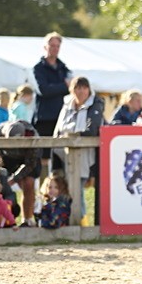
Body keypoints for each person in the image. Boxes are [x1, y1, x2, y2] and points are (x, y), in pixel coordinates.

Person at [55, 76, 104, 224]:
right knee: (64, 188)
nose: (81, 91)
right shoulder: (67, 105)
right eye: (77, 88)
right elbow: (58, 129)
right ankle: (65, 220)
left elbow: (92, 129)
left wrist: (74, 134)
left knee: (77, 190)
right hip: (63, 152)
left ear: (89, 90)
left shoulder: (95, 105)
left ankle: (81, 222)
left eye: (84, 88)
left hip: (84, 154)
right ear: (72, 90)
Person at [0, 119, 41, 226]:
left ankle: (27, 220)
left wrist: (14, 179)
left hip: (27, 157)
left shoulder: (33, 137)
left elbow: (30, 164)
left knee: (28, 183)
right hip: (5, 157)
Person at [33, 32, 72, 138]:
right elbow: (44, 90)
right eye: (52, 45)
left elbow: (71, 88)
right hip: (45, 118)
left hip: (62, 116)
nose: (55, 49)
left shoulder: (64, 68)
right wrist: (64, 86)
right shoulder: (39, 68)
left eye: (57, 46)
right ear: (45, 47)